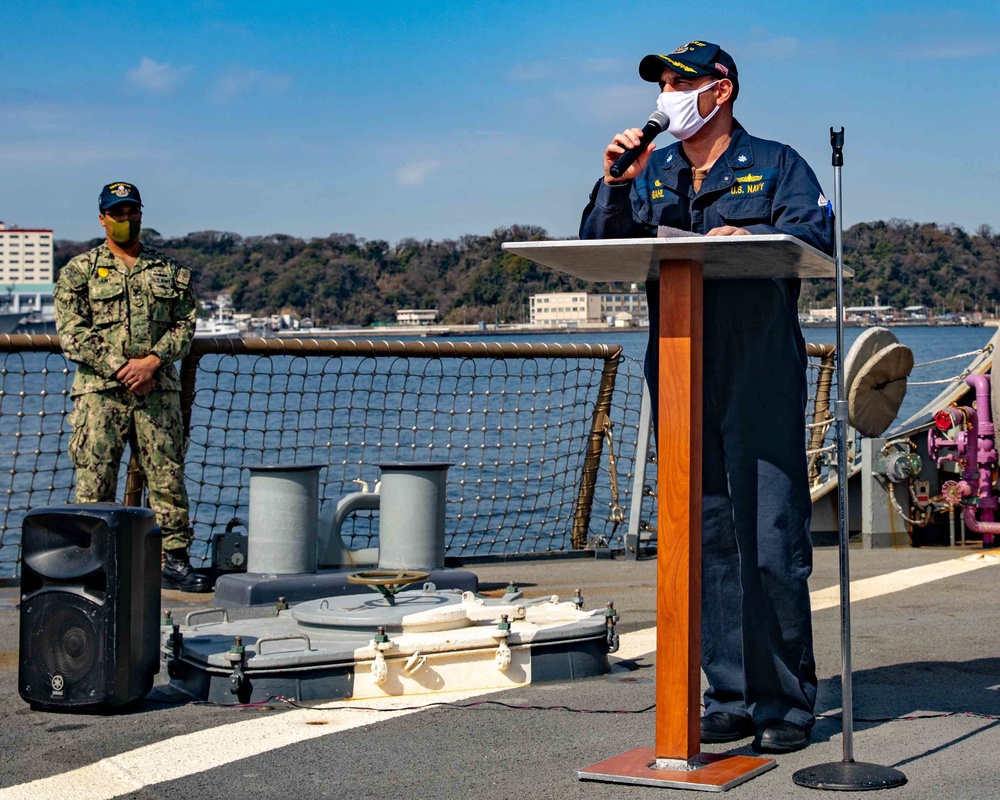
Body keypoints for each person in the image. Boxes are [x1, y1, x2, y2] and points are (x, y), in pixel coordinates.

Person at [580, 41, 833, 753]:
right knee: (707, 539)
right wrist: (614, 182)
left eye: (680, 80)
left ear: (721, 92)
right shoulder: (652, 168)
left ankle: (783, 702)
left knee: (771, 543)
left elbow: (815, 238)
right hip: (684, 368)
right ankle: (727, 693)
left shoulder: (779, 163)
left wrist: (745, 232)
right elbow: (602, 244)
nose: (666, 92)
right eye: (662, 81)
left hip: (757, 370)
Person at [55, 181, 211, 593]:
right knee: (94, 479)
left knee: (167, 475)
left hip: (157, 390)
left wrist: (153, 362)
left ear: (141, 214)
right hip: (100, 394)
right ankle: (91, 565)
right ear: (102, 218)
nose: (126, 219)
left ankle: (173, 560)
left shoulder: (171, 272)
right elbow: (72, 332)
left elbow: (186, 324)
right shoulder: (79, 271)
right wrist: (123, 367)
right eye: (117, 213)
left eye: (132, 211)